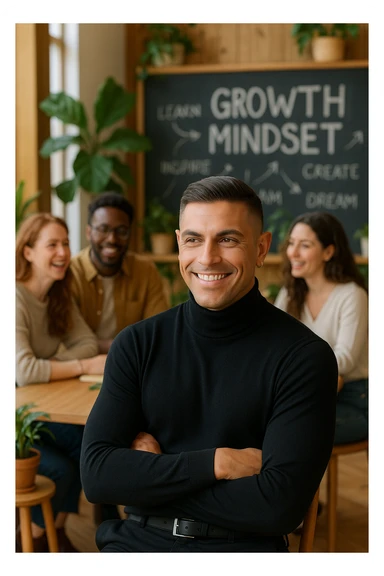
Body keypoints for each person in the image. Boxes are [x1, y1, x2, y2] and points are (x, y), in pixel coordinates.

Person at [80, 176, 338, 553]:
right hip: (134, 546)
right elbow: (97, 477)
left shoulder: (303, 358)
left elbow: (277, 508)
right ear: (180, 242)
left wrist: (154, 478)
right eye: (193, 239)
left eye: (228, 239)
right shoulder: (137, 344)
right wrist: (215, 464)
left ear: (262, 248)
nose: (207, 258)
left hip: (239, 552)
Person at [16, 213, 107, 552]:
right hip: (16, 420)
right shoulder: (13, 297)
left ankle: (55, 531)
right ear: (27, 252)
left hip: (43, 410)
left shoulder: (58, 295)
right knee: (61, 469)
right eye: (52, 244)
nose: (63, 252)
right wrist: (82, 364)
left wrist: (51, 364)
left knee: (90, 445)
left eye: (66, 243)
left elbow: (87, 341)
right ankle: (36, 541)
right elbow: (24, 371)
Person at [274, 211, 368, 445]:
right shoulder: (289, 294)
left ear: (329, 252)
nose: (293, 253)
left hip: (355, 398)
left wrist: (296, 369)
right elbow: (272, 344)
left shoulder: (352, 295)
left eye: (304, 245)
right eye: (291, 243)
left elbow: (345, 359)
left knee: (293, 433)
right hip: (304, 393)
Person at [70, 192, 169, 354]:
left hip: (132, 365)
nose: (112, 239)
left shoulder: (145, 271)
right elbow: (69, 339)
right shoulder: (71, 273)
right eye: (103, 229)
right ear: (88, 233)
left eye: (121, 231)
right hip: (83, 365)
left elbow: (159, 330)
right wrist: (125, 346)